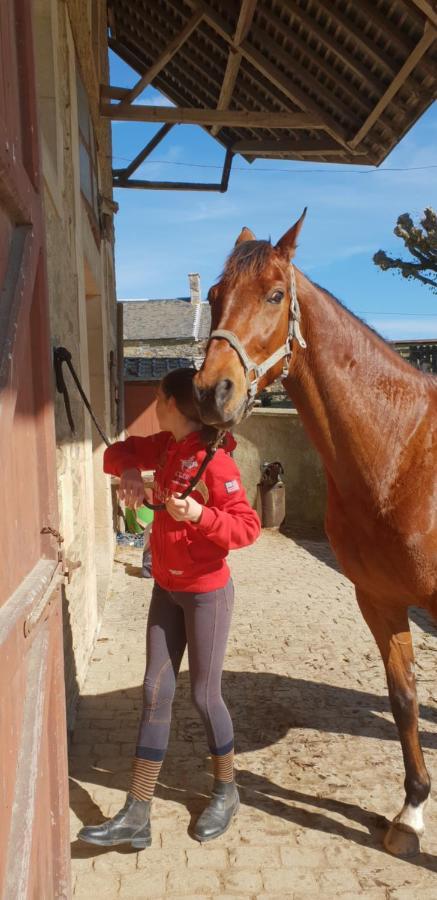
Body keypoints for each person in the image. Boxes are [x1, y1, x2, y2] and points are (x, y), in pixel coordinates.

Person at [78, 368, 260, 849]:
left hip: (206, 594)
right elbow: (115, 453)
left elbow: (247, 528)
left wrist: (201, 514)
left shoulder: (214, 461)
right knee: (155, 689)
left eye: (159, 397)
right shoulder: (164, 445)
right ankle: (137, 815)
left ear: (175, 404)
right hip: (165, 588)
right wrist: (132, 473)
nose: (155, 404)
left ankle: (227, 788)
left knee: (204, 696)